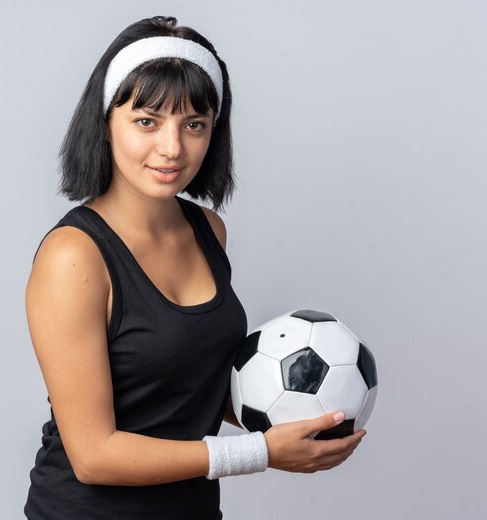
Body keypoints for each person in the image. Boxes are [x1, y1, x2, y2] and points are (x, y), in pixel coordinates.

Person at [23, 15, 366, 520]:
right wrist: (262, 453)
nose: (172, 147)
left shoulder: (209, 230)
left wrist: (301, 412)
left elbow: (189, 385)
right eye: (147, 121)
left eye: (194, 125)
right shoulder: (74, 256)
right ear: (105, 122)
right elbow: (94, 455)